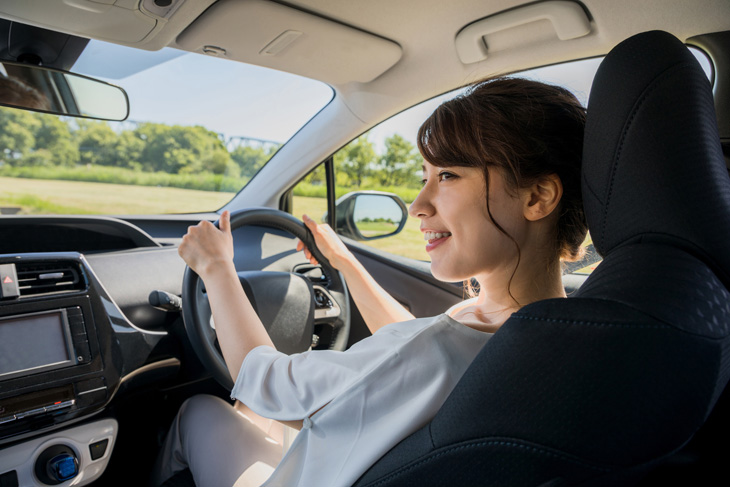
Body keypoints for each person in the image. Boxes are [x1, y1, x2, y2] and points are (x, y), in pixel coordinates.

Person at [152, 76, 587, 487]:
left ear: (537, 196)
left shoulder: (439, 349)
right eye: (424, 179)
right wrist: (345, 263)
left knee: (200, 410)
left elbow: (263, 381)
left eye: (448, 176)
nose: (418, 205)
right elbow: (408, 347)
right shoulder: (563, 331)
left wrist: (216, 268)